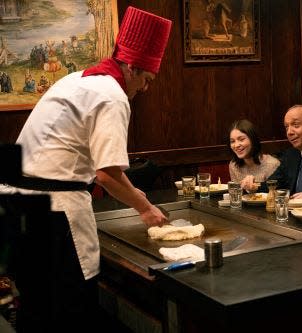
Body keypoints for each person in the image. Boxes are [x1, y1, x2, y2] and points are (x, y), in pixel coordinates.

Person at [0, 6, 172, 331]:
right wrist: (146, 208)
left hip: (17, 207)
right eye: (147, 79)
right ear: (133, 67)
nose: (146, 89)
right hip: (53, 217)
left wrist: (133, 192)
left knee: (35, 309)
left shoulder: (77, 80)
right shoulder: (112, 96)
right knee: (68, 313)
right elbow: (107, 173)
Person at [228, 119, 280, 192]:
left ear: (253, 140)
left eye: (241, 139)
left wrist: (255, 186)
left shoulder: (272, 164)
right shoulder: (233, 165)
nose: (236, 145)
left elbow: (275, 194)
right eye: (232, 141)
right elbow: (236, 194)